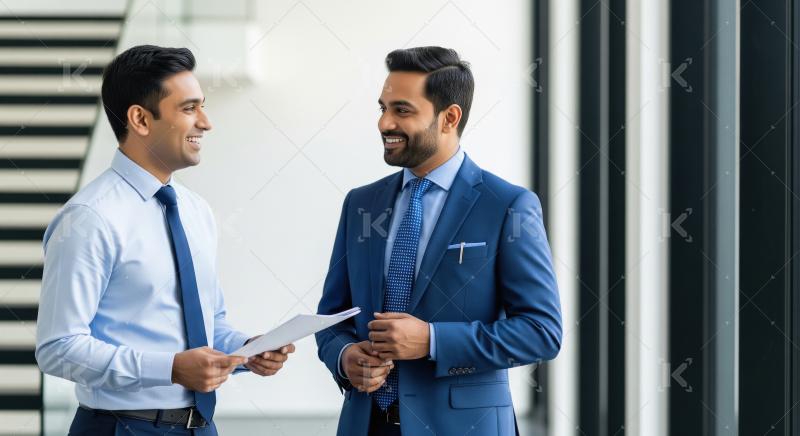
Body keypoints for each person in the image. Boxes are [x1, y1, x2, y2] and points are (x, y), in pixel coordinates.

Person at [35, 45, 294, 435]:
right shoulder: (90, 218)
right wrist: (170, 368)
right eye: (189, 108)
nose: (206, 123)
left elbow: (209, 323)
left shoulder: (196, 211)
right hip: (121, 427)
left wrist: (246, 350)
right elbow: (58, 348)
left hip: (200, 425)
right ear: (140, 119)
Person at [315, 46, 563, 435]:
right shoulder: (361, 204)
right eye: (382, 108)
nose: (384, 123)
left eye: (402, 110)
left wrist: (431, 340)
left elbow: (541, 332)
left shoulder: (508, 206)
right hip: (367, 425)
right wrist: (345, 356)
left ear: (449, 118)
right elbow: (331, 319)